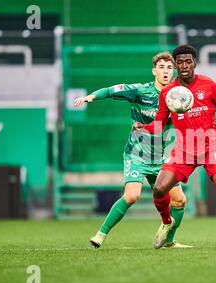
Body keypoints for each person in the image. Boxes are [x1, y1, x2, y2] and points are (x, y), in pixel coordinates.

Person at [133, 45, 216, 250]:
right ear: (175, 65)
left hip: (211, 147)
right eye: (180, 62)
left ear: (194, 63)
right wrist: (144, 128)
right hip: (184, 149)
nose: (184, 65)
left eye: (188, 61)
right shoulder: (168, 92)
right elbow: (158, 124)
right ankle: (167, 222)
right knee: (159, 189)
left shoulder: (209, 85)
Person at [74, 51, 191, 249]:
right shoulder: (140, 91)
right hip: (137, 154)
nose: (165, 71)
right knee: (132, 196)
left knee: (179, 200)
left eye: (169, 68)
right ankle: (100, 235)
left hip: (162, 157)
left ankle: (169, 242)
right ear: (154, 71)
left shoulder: (178, 96)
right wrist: (92, 96)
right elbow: (112, 90)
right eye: (161, 67)